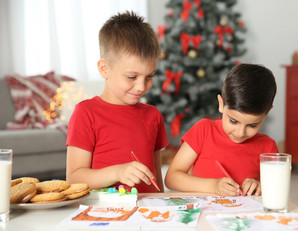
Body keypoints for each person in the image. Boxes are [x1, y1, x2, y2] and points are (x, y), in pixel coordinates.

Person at [66, 11, 168, 193]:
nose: (141, 87)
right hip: (106, 215)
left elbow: (156, 179)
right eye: (132, 76)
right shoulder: (86, 113)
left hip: (149, 214)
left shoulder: (153, 115)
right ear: (104, 69)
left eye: (149, 76)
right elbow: (74, 179)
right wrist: (117, 172)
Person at [165, 63, 278, 196]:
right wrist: (214, 186)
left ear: (267, 112)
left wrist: (261, 186)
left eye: (252, 125)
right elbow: (171, 178)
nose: (240, 133)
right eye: (233, 121)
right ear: (221, 104)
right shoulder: (204, 130)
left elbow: (276, 189)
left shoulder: (268, 148)